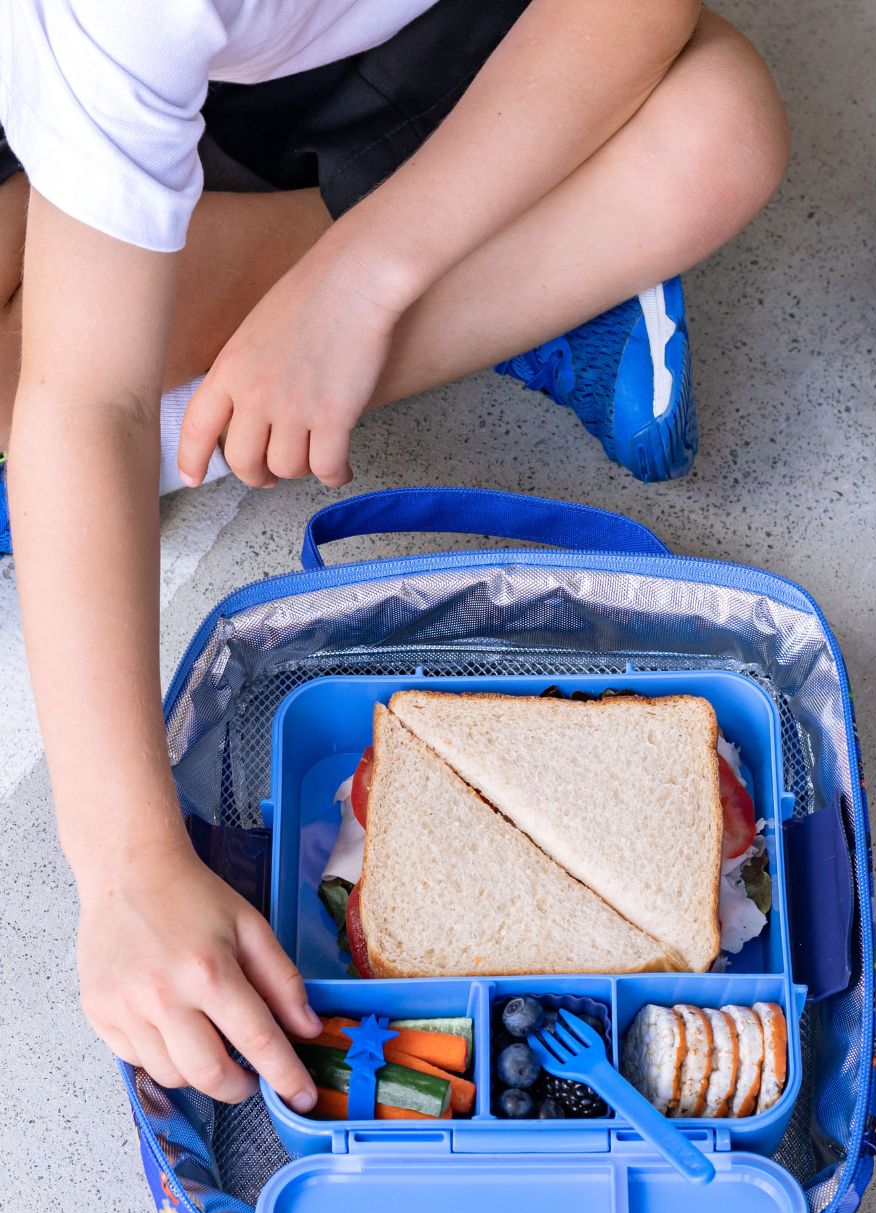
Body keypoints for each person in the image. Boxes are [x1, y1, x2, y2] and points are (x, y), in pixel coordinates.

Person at [0, 0, 787, 1110]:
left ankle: (507, 271)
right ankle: (537, 259)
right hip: (144, 72)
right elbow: (86, 396)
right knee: (39, 380)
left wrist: (362, 279)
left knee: (717, 131)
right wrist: (123, 865)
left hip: (430, 64)